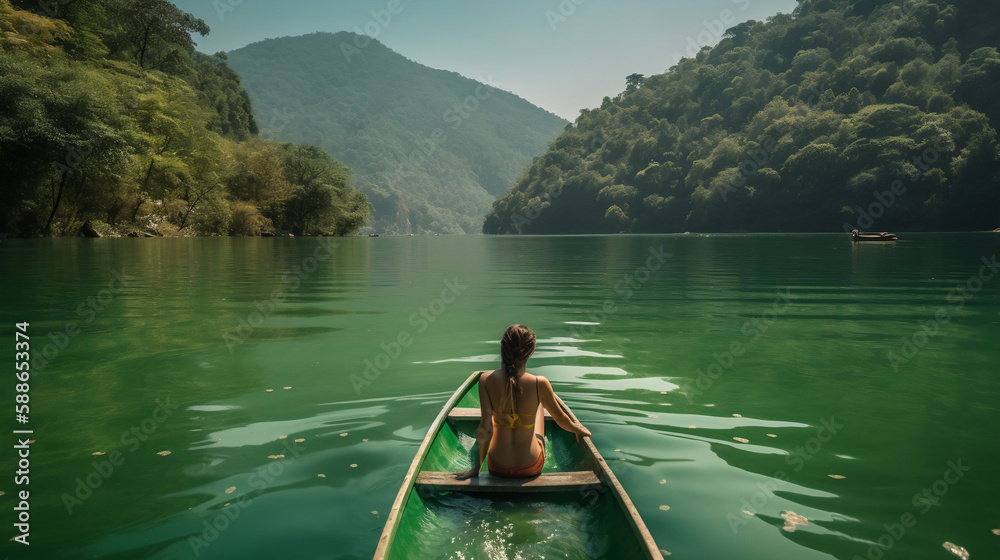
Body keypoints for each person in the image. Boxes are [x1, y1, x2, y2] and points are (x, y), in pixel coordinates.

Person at [457, 324, 591, 479]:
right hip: (529, 466)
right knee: (539, 404)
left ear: (502, 348)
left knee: (498, 420)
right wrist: (577, 428)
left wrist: (477, 468)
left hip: (497, 466)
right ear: (531, 351)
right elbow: (560, 419)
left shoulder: (485, 380)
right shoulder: (539, 383)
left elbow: (486, 428)